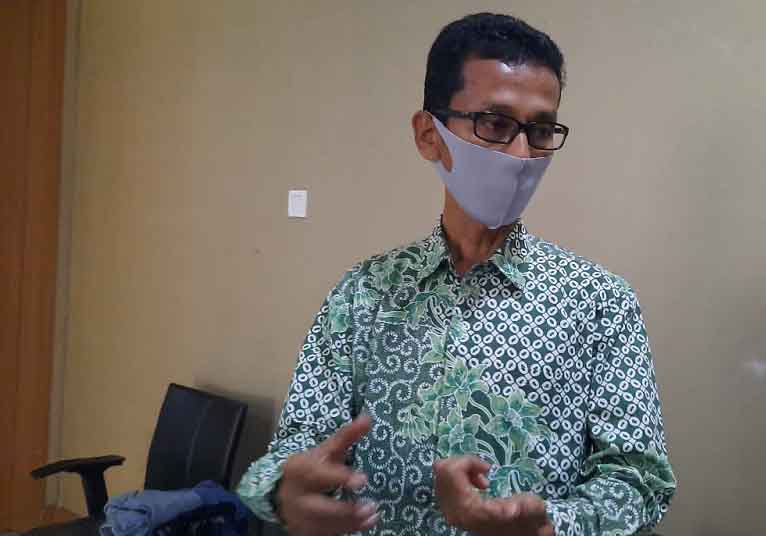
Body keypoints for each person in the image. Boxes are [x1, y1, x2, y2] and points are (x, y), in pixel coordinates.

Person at [237, 12, 677, 536]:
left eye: (540, 129)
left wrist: (551, 524)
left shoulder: (599, 302)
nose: (522, 154)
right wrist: (282, 491)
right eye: (495, 123)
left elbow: (639, 481)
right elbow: (298, 446)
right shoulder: (362, 294)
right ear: (430, 135)